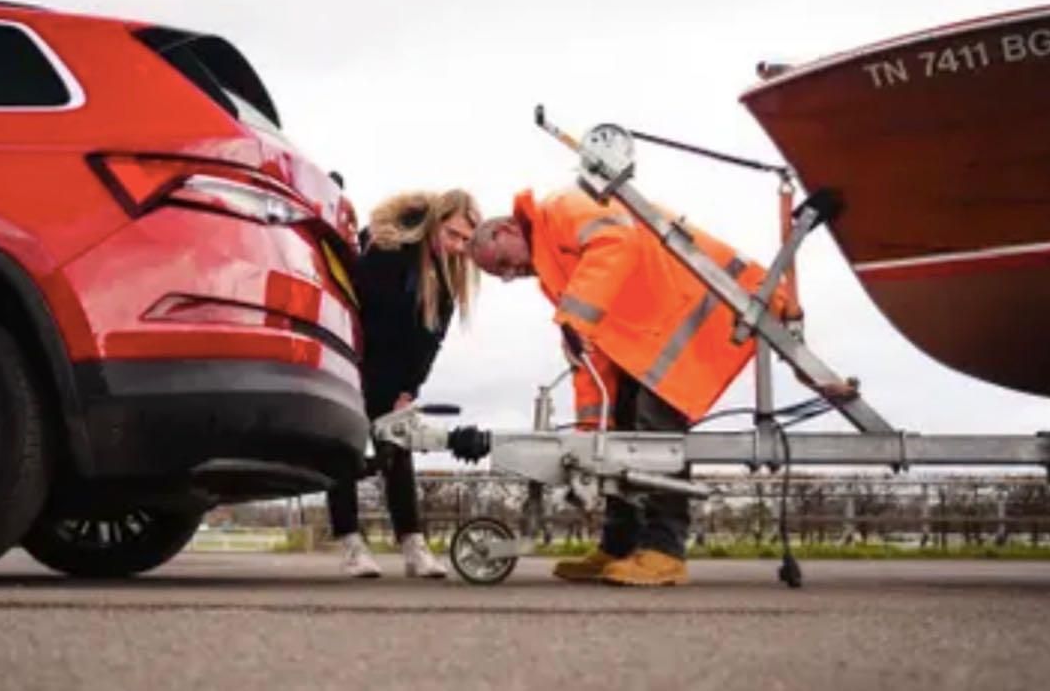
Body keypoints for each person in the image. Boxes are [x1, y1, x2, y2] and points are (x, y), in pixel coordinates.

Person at [468, 186, 788, 586]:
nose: (512, 275)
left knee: (655, 436)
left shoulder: (560, 210)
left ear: (506, 229)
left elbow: (615, 239)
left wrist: (574, 320)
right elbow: (591, 355)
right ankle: (620, 545)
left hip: (707, 309)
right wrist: (590, 438)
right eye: (503, 276)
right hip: (660, 333)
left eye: (503, 264)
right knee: (619, 434)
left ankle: (664, 551)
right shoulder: (553, 265)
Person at [330, 189, 480, 578]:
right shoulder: (386, 251)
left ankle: (413, 545)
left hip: (395, 376)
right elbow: (361, 307)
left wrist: (410, 389)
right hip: (354, 363)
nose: (458, 246)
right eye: (452, 234)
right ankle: (350, 543)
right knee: (343, 450)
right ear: (433, 223)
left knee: (398, 452)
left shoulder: (450, 277)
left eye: (465, 239)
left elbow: (431, 339)